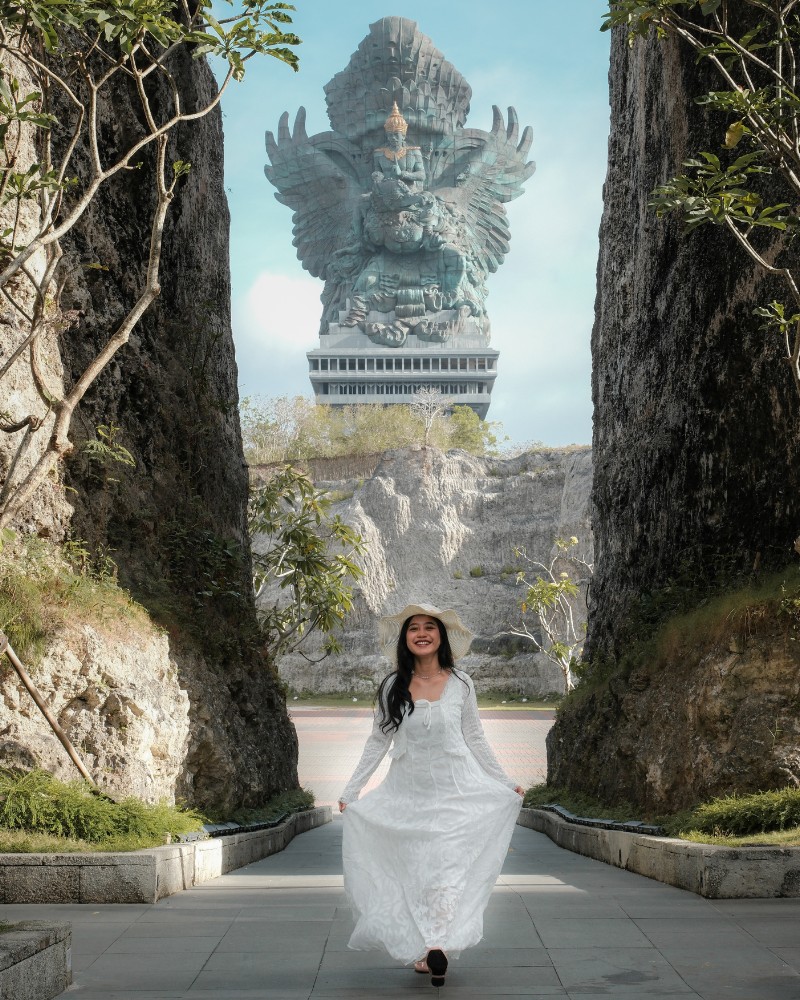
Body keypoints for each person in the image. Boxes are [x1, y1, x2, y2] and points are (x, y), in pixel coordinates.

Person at [338, 603, 524, 989]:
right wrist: (352, 788)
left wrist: (504, 782)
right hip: (407, 796)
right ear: (405, 640)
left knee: (446, 868)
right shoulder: (393, 686)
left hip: (458, 792)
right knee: (415, 870)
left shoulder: (462, 683)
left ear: (441, 636)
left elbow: (475, 737)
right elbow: (378, 740)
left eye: (429, 627)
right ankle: (429, 946)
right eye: (413, 629)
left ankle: (436, 943)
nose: (421, 633)